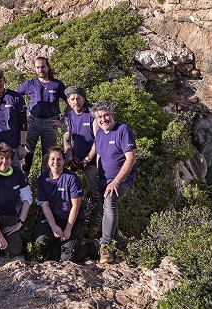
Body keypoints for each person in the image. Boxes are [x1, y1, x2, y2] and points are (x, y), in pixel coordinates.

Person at [93, 101, 137, 264]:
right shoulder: (99, 134)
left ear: (112, 115)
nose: (103, 119)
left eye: (106, 115)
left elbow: (130, 158)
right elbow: (99, 155)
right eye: (99, 117)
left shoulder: (122, 130)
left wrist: (116, 182)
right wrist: (99, 177)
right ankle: (118, 239)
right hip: (104, 180)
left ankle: (106, 248)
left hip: (123, 179)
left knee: (110, 201)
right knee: (106, 207)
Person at [32, 147, 94, 262]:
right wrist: (53, 226)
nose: (56, 162)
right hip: (52, 218)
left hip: (71, 219)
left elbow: (76, 205)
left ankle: (92, 247)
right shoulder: (42, 180)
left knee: (68, 259)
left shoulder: (71, 178)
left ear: (64, 161)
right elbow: (44, 205)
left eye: (59, 159)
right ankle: (56, 244)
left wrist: (68, 229)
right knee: (40, 243)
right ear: (47, 162)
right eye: (52, 159)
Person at [17, 57, 67, 175]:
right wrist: (23, 114)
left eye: (43, 67)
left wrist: (63, 120)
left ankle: (46, 179)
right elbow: (16, 97)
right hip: (33, 121)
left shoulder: (57, 84)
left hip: (50, 123)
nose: (41, 69)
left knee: (49, 155)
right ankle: (25, 177)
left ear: (48, 67)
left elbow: (70, 102)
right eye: (38, 67)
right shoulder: (30, 83)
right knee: (27, 152)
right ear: (35, 69)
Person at [62, 86, 101, 232]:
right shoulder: (68, 117)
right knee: (51, 161)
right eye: (72, 99)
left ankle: (94, 228)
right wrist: (70, 157)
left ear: (83, 99)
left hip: (91, 160)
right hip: (74, 156)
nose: (76, 101)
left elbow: (98, 141)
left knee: (96, 193)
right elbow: (66, 140)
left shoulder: (92, 116)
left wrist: (87, 159)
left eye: (78, 98)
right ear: (68, 101)